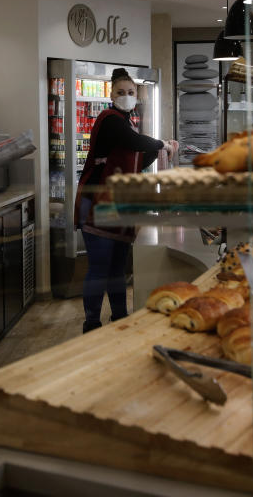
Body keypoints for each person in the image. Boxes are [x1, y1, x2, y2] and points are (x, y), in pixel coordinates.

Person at [74, 68, 178, 333]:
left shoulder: (127, 123)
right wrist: (161, 143)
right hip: (98, 201)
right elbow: (134, 142)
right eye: (121, 92)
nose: (127, 97)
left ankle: (119, 317)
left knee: (118, 268)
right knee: (99, 267)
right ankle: (92, 325)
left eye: (131, 93)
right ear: (111, 94)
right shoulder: (110, 119)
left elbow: (139, 158)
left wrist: (158, 151)